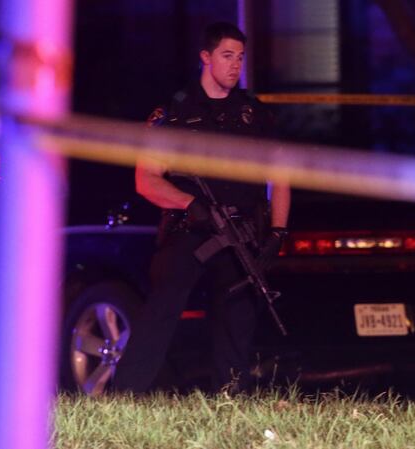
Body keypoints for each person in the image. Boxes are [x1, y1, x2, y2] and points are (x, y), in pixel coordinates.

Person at [112, 22, 290, 393]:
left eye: (240, 58)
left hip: (241, 231)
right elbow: (147, 179)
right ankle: (123, 396)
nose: (235, 65)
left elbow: (281, 175)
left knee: (238, 318)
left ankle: (229, 401)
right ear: (205, 58)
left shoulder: (253, 114)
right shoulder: (174, 113)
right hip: (191, 230)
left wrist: (278, 230)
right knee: (159, 313)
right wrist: (190, 204)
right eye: (227, 56)